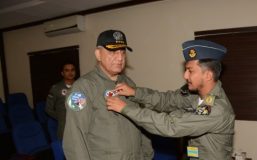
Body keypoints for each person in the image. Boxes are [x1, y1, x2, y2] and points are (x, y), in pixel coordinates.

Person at [107, 40, 235, 160]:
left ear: (208, 75)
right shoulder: (195, 94)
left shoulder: (216, 108)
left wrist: (125, 108)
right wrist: (135, 92)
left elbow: (171, 126)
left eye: (190, 71)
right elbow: (166, 100)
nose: (185, 76)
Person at [63, 30, 153, 160]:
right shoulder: (83, 87)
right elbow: (75, 137)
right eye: (112, 52)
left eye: (123, 52)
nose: (120, 57)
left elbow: (140, 123)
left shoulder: (129, 84)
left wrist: (147, 154)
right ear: (98, 54)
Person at [45, 61, 76, 140]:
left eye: (72, 70)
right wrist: (61, 117)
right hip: (64, 126)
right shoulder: (56, 88)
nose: (70, 72)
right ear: (62, 73)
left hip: (79, 123)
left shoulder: (80, 86)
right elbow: (48, 109)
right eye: (67, 70)